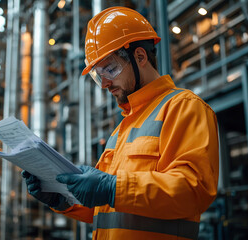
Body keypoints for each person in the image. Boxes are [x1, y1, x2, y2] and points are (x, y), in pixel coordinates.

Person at [22, 6, 219, 240]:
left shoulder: (183, 107)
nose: (104, 83)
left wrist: (113, 187)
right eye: (98, 75)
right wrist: (62, 199)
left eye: (110, 69)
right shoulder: (121, 130)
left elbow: (192, 191)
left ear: (140, 57)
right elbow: (106, 208)